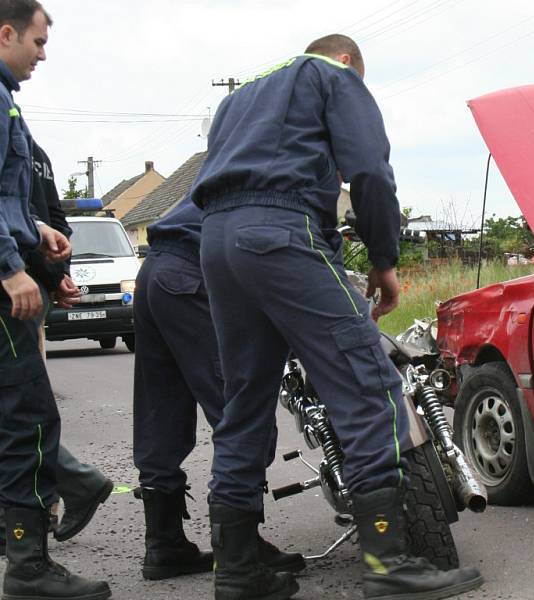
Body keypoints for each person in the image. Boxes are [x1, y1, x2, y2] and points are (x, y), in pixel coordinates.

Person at [191, 34, 483, 600]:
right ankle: (388, 561)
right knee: (368, 384)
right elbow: (370, 171)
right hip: (282, 232)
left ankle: (237, 571)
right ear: (348, 60)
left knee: (245, 403)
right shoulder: (333, 76)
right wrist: (384, 259)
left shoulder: (239, 97)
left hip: (217, 241)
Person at [133, 195, 304, 580]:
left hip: (154, 274)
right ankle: (242, 550)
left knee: (161, 408)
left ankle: (164, 544)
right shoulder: (290, 173)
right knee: (243, 411)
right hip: (191, 276)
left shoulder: (233, 159)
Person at [0, 2, 110, 598]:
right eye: (38, 42)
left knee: (14, 418)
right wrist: (11, 268)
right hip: (2, 289)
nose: (42, 54)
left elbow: (3, 192)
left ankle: (23, 550)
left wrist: (33, 229)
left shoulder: (5, 100)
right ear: (6, 32)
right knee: (25, 420)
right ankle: (28, 567)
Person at [0, 141, 114, 556]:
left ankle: (35, 517)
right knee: (17, 405)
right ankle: (63, 490)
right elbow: (55, 220)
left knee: (18, 408)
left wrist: (31, 274)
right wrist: (55, 274)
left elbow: (31, 218)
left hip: (13, 285)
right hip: (28, 284)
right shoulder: (35, 150)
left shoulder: (14, 139)